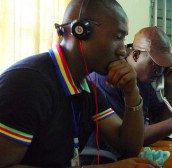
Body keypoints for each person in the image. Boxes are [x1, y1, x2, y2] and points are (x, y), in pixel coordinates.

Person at [0, 0, 160, 167]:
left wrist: (132, 92)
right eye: (117, 37)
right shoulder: (27, 83)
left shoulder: (86, 87)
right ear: (81, 31)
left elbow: (128, 146)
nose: (122, 50)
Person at [90, 26, 172, 151]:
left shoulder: (144, 81)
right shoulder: (110, 78)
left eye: (163, 67)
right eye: (155, 65)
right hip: (106, 157)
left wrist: (169, 84)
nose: (159, 72)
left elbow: (163, 120)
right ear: (135, 55)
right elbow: (129, 138)